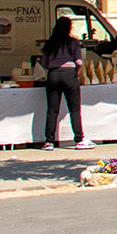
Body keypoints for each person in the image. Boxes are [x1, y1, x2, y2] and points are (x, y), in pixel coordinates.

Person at [41, 16, 87, 149]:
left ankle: (49, 141)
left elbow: (44, 63)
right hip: (69, 75)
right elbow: (78, 61)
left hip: (53, 75)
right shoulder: (73, 43)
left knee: (52, 110)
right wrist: (75, 70)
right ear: (69, 28)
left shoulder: (50, 43)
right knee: (74, 109)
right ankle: (79, 140)